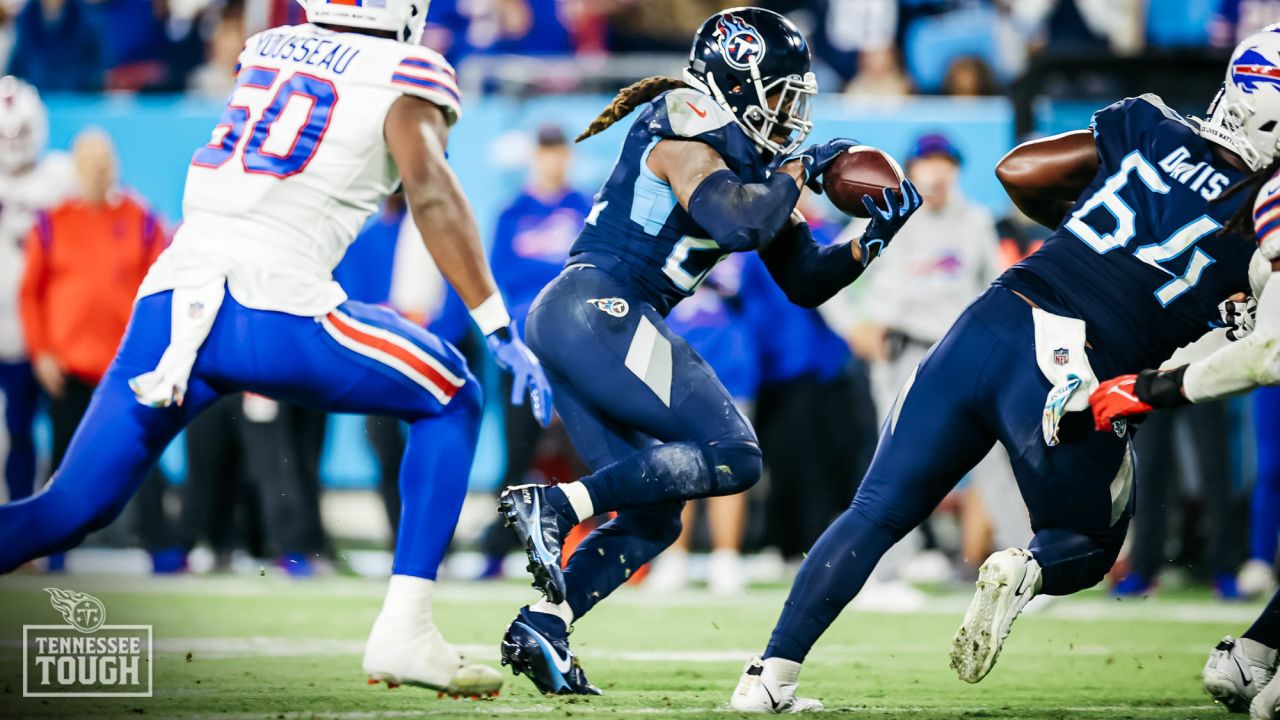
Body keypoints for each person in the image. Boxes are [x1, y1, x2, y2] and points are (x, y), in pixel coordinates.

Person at [0, 0, 553, 699]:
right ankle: (405, 629)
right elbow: (431, 192)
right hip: (272, 305)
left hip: (173, 300)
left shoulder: (269, 47)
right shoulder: (406, 69)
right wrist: (497, 323)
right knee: (453, 392)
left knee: (71, 507)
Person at [728, 27, 1274, 713]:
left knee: (875, 509)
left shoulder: (1151, 124)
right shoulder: (1261, 212)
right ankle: (1026, 569)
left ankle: (769, 676)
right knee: (1088, 543)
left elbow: (1020, 170)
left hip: (993, 314)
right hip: (1074, 362)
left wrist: (1089, 229)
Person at [495, 7, 921, 697]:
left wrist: (874, 237)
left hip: (587, 317)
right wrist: (796, 175)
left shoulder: (750, 158)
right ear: (737, 79)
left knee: (653, 515)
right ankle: (561, 505)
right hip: (598, 307)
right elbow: (743, 221)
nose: (790, 112)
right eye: (782, 93)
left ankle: (547, 621)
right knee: (735, 454)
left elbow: (806, 279)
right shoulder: (686, 118)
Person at [1088, 27, 1280, 719]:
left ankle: (1257, 643)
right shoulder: (1245, 183)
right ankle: (1256, 645)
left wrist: (1150, 387)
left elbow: (1267, 350)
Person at [476, 123, 592, 576]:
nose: (552, 160)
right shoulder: (512, 213)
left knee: (588, 453)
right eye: (545, 151)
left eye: (559, 151)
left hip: (579, 350)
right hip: (525, 353)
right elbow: (497, 281)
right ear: (534, 157)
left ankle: (594, 549)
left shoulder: (585, 208)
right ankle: (497, 550)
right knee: (518, 451)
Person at [0, 76, 73, 506]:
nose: (12, 142)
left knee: (32, 431)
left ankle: (26, 529)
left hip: (41, 336)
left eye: (19, 132)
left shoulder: (59, 176)